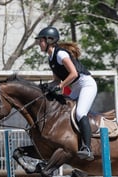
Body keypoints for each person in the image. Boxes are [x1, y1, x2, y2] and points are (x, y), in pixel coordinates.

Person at [35, 26, 97, 161]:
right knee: (64, 111)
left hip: (86, 84)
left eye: (41, 41)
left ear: (49, 40)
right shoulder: (51, 58)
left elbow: (73, 73)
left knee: (80, 113)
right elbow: (57, 80)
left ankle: (87, 147)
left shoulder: (60, 54)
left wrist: (60, 86)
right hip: (75, 86)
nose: (39, 43)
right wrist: (46, 86)